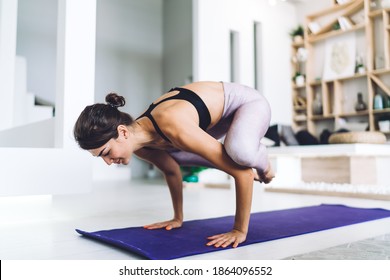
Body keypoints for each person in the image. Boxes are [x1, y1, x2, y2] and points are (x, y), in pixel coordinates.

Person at [74, 81, 274, 248]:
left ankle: (260, 158)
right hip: (216, 121)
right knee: (179, 157)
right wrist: (177, 218)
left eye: (106, 153)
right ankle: (245, 155)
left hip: (248, 104)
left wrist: (239, 230)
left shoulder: (173, 125)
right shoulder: (142, 146)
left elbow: (242, 175)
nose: (108, 162)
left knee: (240, 154)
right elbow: (171, 171)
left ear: (123, 132)